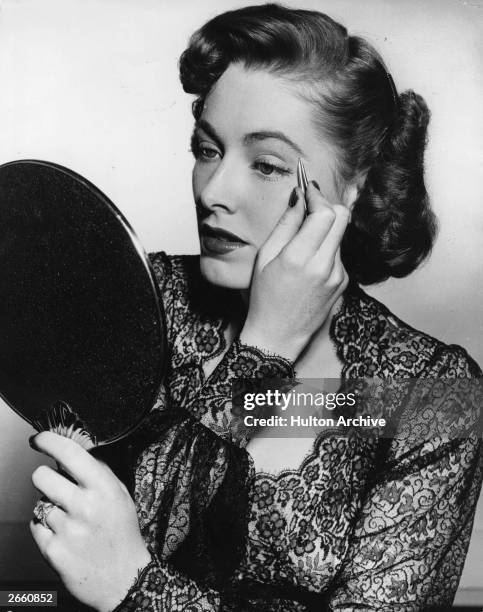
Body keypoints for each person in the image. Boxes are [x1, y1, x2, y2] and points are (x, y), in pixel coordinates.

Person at [28, 4, 482, 611]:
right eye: (207, 149)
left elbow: (124, 566)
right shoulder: (143, 300)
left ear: (355, 185)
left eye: (266, 165)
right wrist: (263, 348)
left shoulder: (430, 394)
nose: (213, 193)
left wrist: (135, 589)